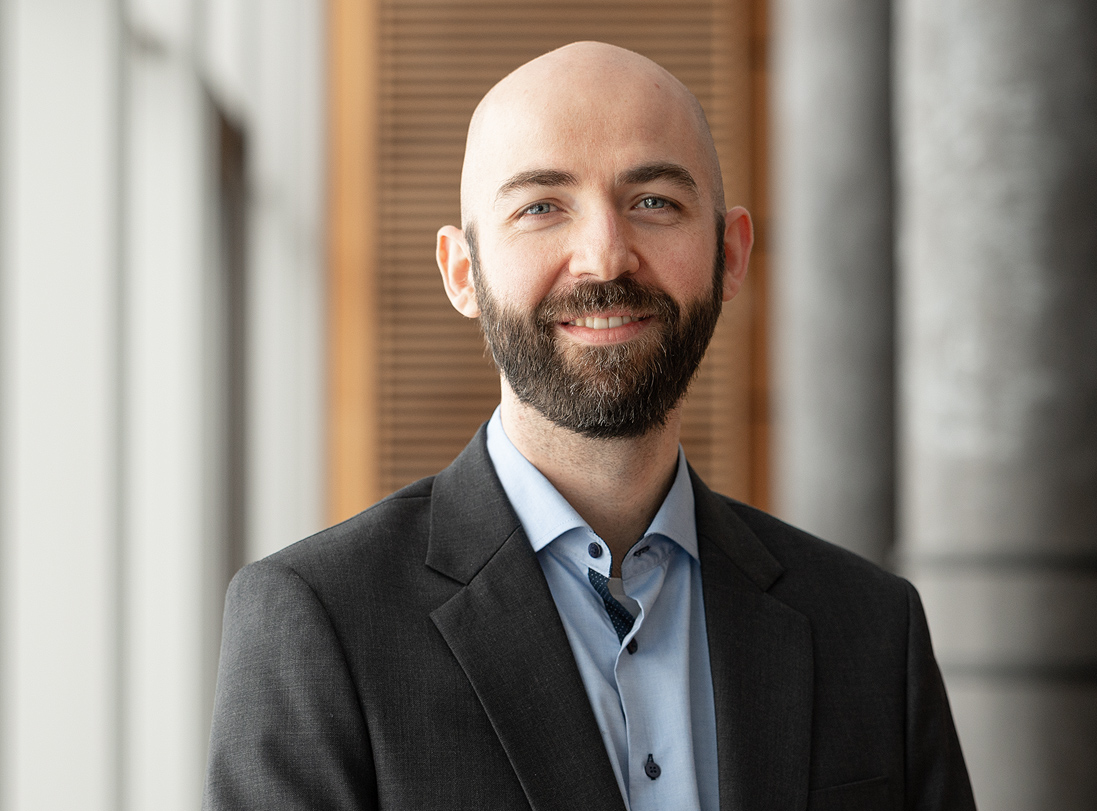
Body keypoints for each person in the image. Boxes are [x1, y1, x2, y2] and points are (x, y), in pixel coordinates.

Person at [203, 41, 975, 811]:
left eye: (654, 202)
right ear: (462, 272)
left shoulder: (873, 629)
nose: (605, 257)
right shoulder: (317, 622)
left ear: (729, 253)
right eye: (541, 206)